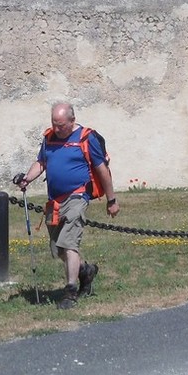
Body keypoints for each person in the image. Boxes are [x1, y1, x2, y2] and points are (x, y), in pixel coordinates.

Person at [16, 101, 119, 309]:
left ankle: (70, 292)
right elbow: (41, 162)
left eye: (61, 125)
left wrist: (111, 200)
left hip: (77, 197)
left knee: (69, 243)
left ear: (72, 121)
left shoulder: (86, 138)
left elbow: (102, 170)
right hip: (55, 201)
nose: (57, 129)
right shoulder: (49, 138)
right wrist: (27, 178)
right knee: (58, 249)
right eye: (54, 124)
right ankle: (86, 271)